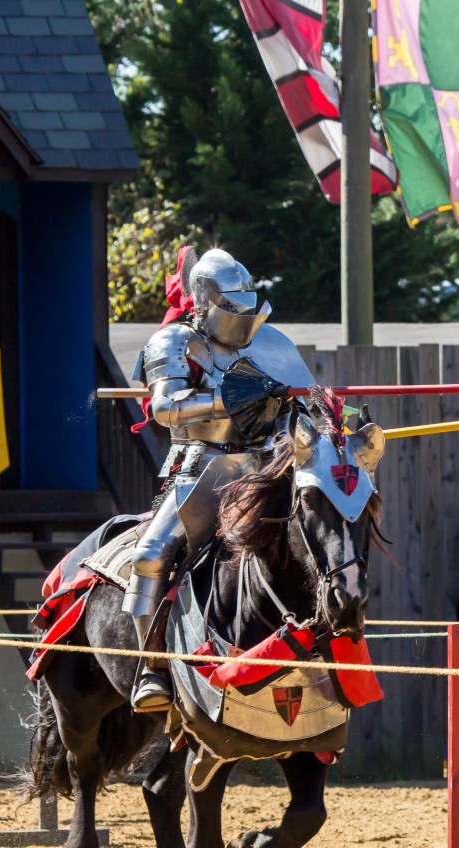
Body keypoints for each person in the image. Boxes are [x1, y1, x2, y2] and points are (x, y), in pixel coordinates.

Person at [123, 248, 316, 710]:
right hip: (203, 465)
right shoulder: (174, 342)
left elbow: (307, 404)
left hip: (268, 466)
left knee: (324, 542)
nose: (243, 319)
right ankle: (153, 669)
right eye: (232, 308)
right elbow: (166, 409)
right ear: (205, 302)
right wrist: (229, 400)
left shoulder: (272, 344)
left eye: (248, 307)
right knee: (150, 556)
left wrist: (320, 414)